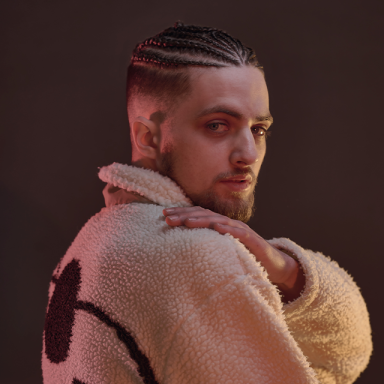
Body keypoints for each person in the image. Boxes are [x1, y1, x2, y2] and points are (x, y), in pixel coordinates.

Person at [42, 22, 372, 384]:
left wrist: (287, 272)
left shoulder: (99, 236)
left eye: (258, 129)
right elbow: (342, 364)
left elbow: (344, 352)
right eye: (217, 125)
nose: (248, 153)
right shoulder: (191, 255)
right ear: (147, 137)